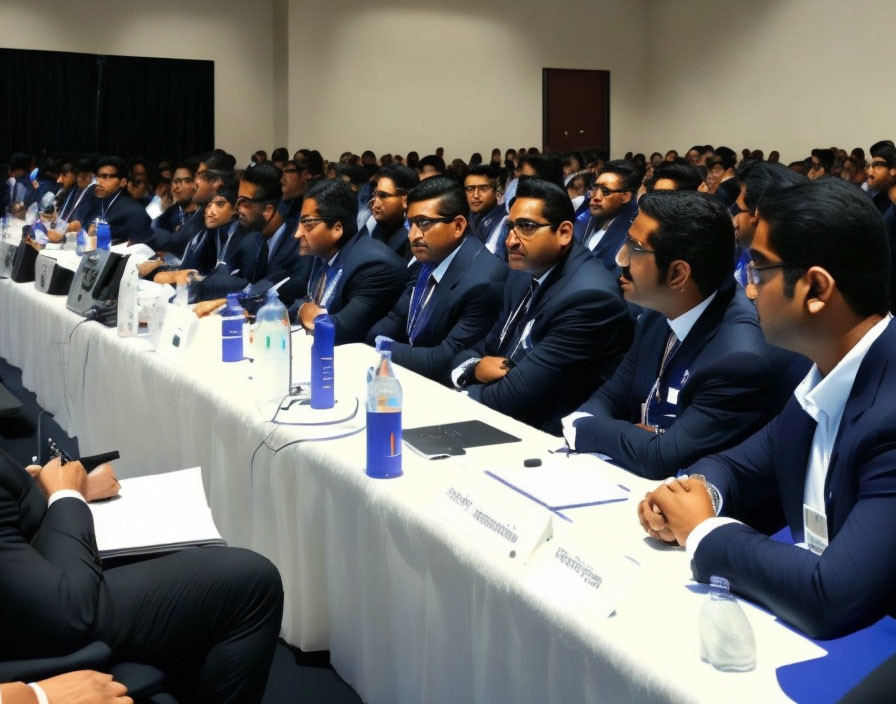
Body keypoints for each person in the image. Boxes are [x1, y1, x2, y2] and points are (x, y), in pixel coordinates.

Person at [638, 177, 896, 639]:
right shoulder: (822, 372)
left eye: (757, 269)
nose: (748, 289)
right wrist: (695, 491)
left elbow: (830, 594)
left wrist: (701, 532)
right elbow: (736, 466)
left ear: (816, 288)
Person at [0, 448, 283, 703]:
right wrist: (65, 496)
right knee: (250, 582)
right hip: (36, 630)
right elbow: (69, 614)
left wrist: (41, 492)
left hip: (29, 572)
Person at [563, 190, 808, 479]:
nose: (621, 260)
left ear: (678, 274)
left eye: (634, 248)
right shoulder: (657, 312)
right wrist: (630, 435)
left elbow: (663, 458)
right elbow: (609, 396)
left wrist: (588, 428)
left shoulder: (740, 355)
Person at [450, 178, 632, 434]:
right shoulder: (522, 271)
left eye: (526, 227)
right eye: (510, 227)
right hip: (506, 416)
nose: (510, 241)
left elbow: (515, 396)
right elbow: (483, 347)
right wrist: (473, 367)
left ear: (564, 232)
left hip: (547, 436)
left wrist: (454, 398)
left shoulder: (589, 298)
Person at [367, 177, 508, 383]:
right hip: (414, 374)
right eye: (410, 223)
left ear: (458, 225)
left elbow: (441, 361)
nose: (413, 235)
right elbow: (395, 319)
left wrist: (383, 347)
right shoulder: (427, 260)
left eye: (424, 223)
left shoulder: (483, 283)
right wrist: (377, 340)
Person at [277, 179, 406, 344]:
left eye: (307, 223)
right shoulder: (323, 255)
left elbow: (339, 331)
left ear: (337, 229)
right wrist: (304, 310)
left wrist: (308, 314)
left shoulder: (374, 265)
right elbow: (306, 304)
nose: (297, 234)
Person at [731, 161, 807, 287]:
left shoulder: (788, 277)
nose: (734, 222)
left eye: (737, 210)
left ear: (756, 213)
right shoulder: (741, 251)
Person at [66, 156, 152, 245]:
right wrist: (76, 232)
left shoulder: (135, 212)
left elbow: (142, 251)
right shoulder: (91, 204)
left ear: (123, 182)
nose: (98, 182)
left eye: (105, 177)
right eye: (98, 177)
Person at [573, 159, 640, 271]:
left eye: (606, 191)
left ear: (626, 196)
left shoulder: (631, 233)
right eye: (594, 188)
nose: (596, 197)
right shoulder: (584, 219)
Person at [361, 164, 419, 260]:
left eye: (383, 196)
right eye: (375, 195)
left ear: (405, 200)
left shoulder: (412, 239)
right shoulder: (374, 225)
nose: (376, 204)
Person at [464, 164, 507, 258]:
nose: (475, 195)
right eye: (470, 189)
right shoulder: (467, 218)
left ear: (497, 192)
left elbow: (490, 262)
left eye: (483, 188)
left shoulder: (505, 222)